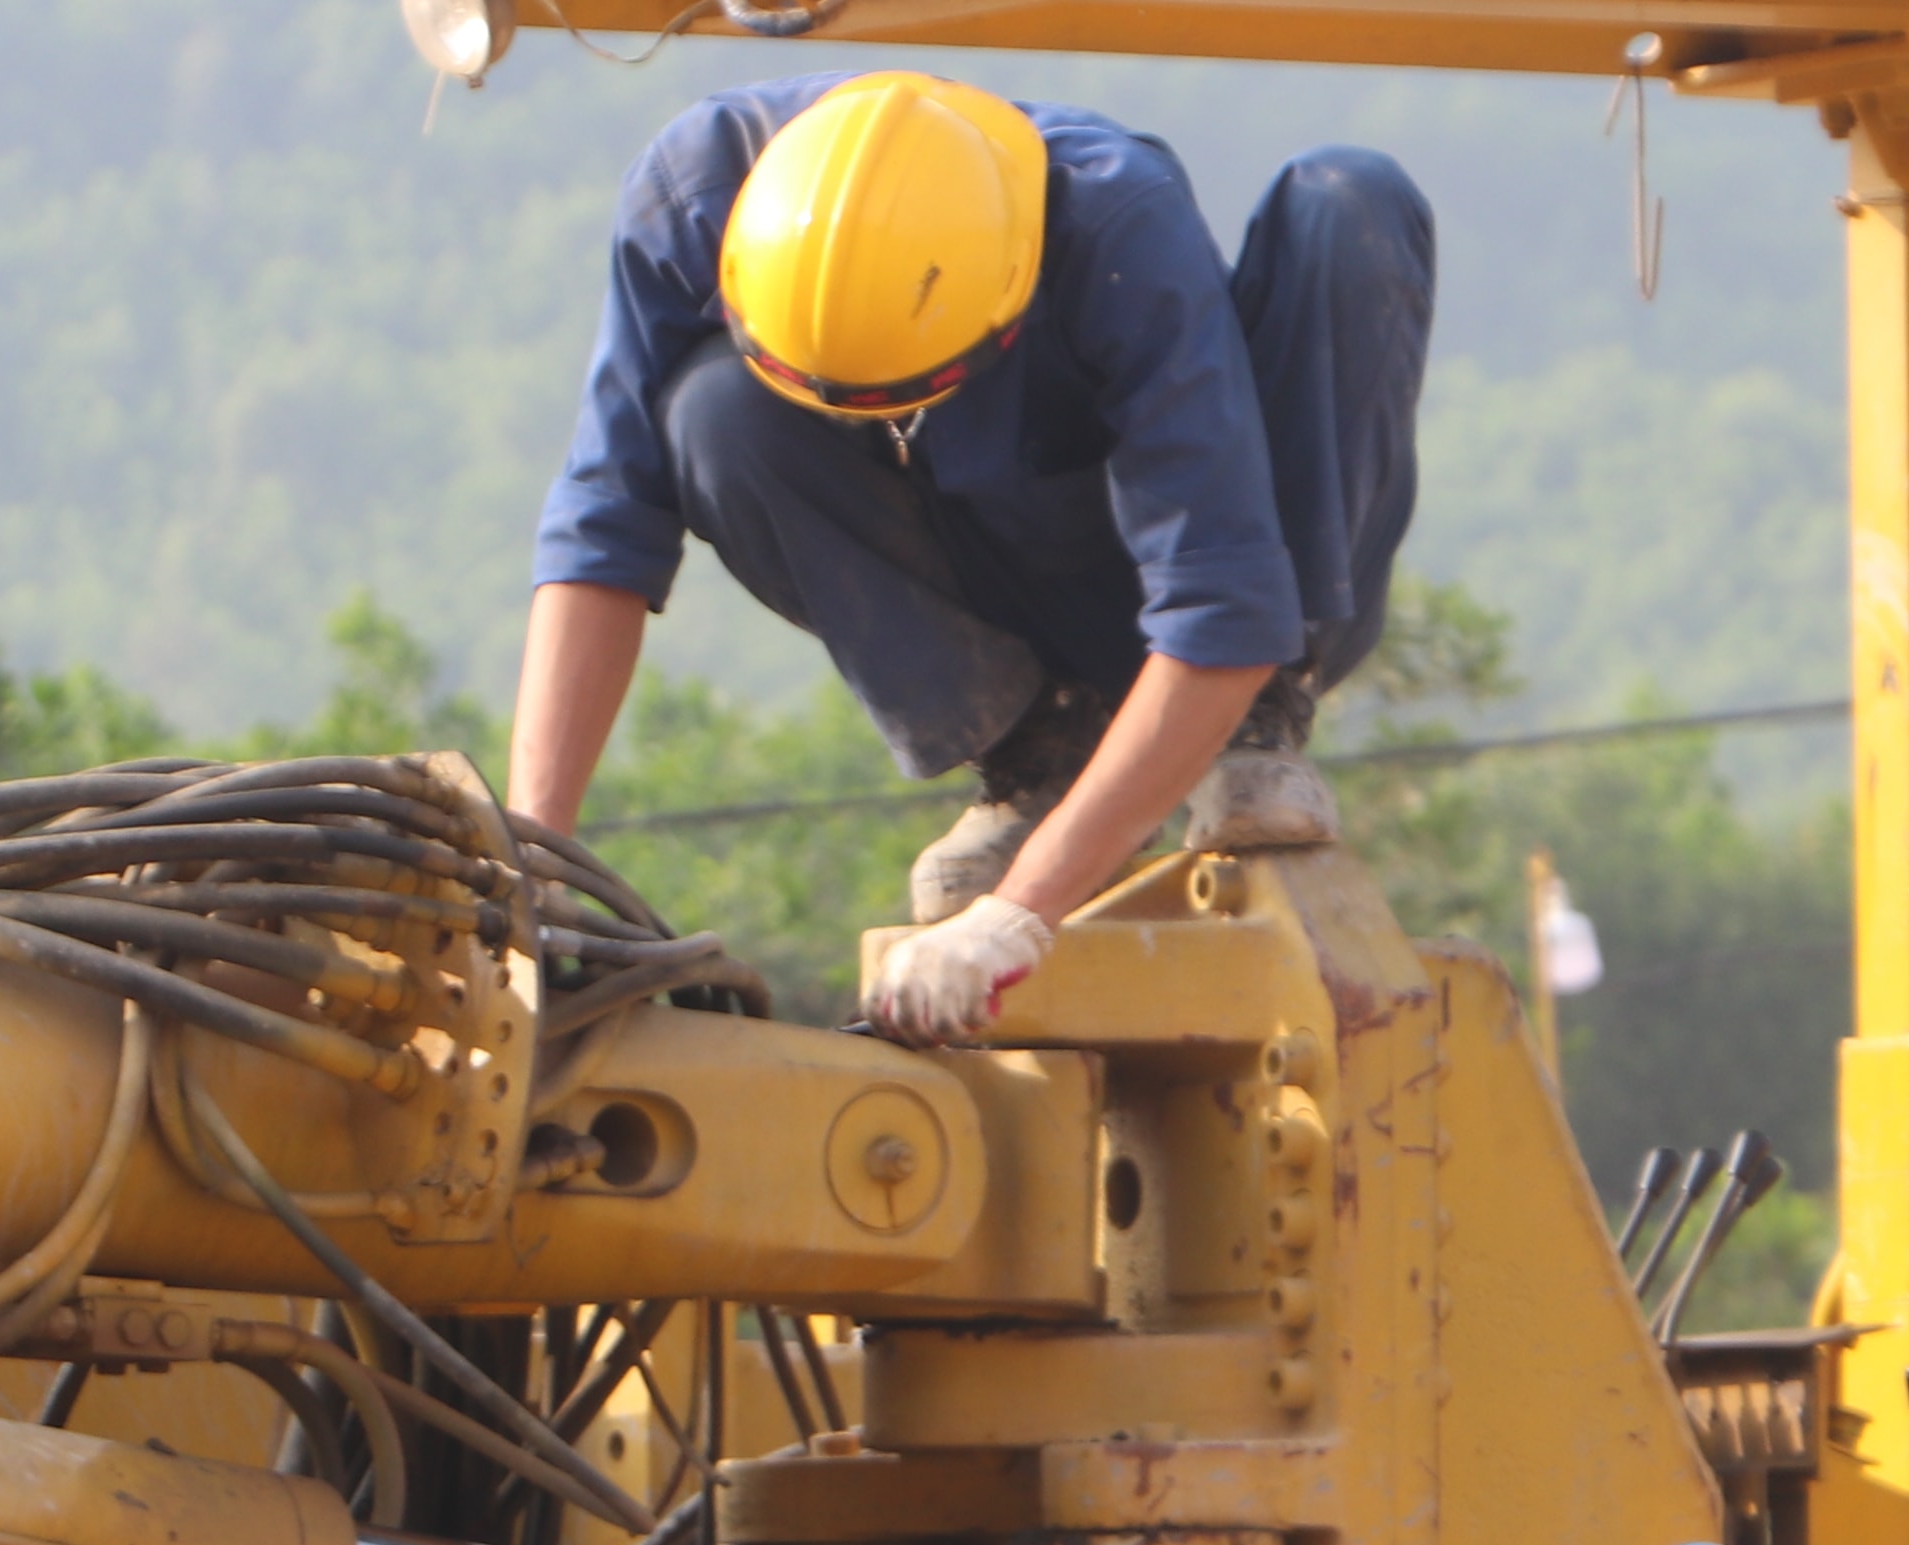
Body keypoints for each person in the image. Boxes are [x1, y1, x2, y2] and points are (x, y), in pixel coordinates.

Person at [500, 72, 1433, 1047]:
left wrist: (1015, 915)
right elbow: (605, 527)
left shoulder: (1117, 226)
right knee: (708, 412)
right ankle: (1037, 746)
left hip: (1206, 587)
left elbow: (1222, 605)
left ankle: (1254, 724)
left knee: (1349, 199)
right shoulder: (693, 197)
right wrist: (533, 861)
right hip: (988, 565)